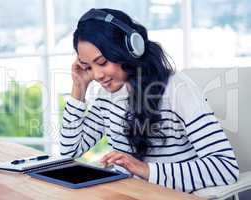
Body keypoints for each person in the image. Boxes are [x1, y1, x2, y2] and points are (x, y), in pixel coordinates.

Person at [59, 8, 239, 193]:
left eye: (103, 62)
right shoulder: (107, 96)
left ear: (128, 49)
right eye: (88, 66)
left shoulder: (178, 90)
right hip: (127, 194)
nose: (97, 75)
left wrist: (145, 170)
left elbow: (225, 167)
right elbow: (69, 151)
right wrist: (79, 86)